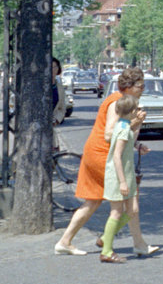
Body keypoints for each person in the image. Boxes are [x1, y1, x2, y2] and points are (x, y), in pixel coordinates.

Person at [54, 67, 157, 257]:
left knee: (93, 200)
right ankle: (136, 243)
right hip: (105, 155)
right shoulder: (117, 102)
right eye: (140, 86)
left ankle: (65, 241)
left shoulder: (125, 102)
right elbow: (110, 134)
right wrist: (135, 124)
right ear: (129, 86)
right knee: (130, 201)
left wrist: (137, 143)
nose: (143, 89)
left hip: (99, 153)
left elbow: (123, 135)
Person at [99, 94, 141, 264]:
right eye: (137, 109)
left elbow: (130, 141)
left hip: (126, 174)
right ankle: (107, 251)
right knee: (116, 212)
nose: (138, 111)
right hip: (119, 176)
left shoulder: (123, 125)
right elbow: (117, 156)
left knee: (132, 210)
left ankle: (105, 238)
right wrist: (122, 182)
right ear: (131, 111)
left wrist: (139, 126)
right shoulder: (123, 129)